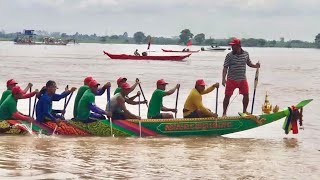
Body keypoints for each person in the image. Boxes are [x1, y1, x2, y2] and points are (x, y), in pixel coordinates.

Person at [222, 38, 260, 116]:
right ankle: (224, 113)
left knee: (246, 95)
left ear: (238, 46)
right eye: (231, 46)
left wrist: (256, 66)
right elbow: (225, 68)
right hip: (231, 79)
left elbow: (249, 63)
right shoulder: (229, 55)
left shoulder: (246, 54)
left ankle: (244, 111)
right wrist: (223, 79)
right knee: (227, 96)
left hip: (242, 79)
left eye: (233, 46)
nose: (232, 47)